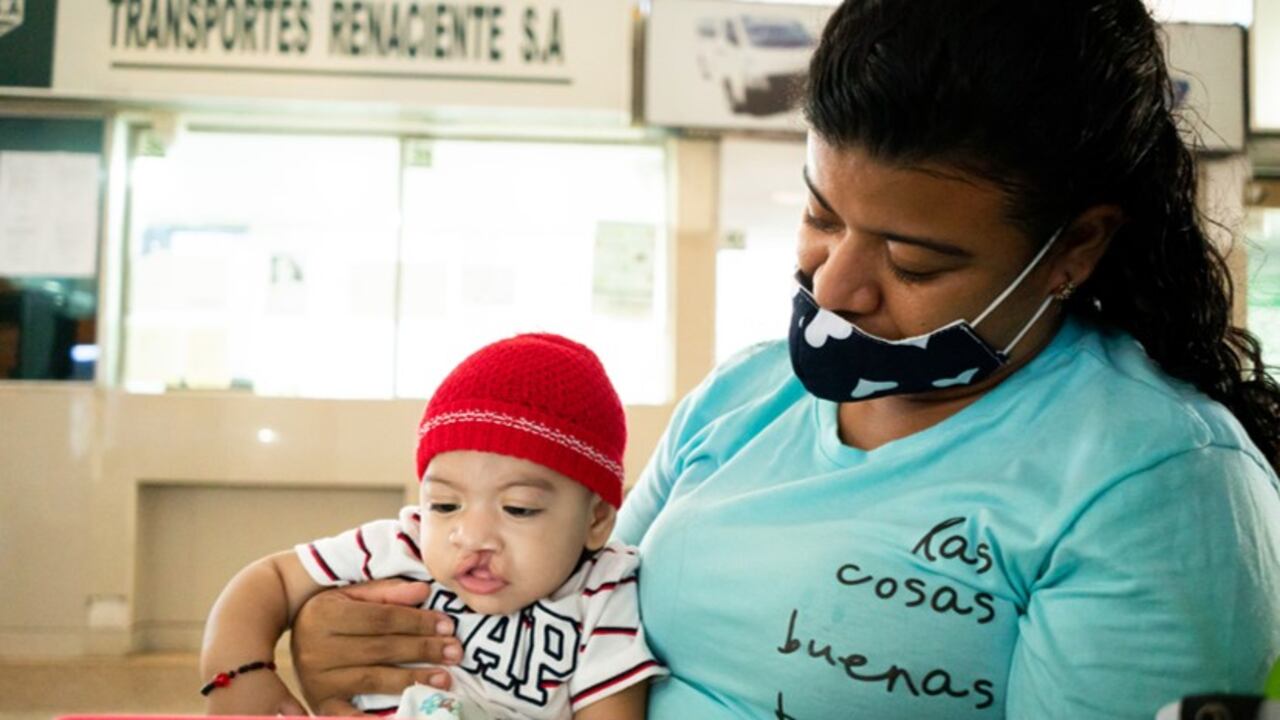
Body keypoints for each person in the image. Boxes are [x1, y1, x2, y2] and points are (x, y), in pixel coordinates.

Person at [285, 1, 1280, 718]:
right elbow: (574, 621)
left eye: (912, 257)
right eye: (816, 213)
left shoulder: (1155, 485)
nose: (834, 284)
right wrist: (397, 644)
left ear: (1072, 248)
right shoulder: (741, 397)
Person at [200, 334, 665, 719]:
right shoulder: (404, 544)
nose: (473, 536)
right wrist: (236, 675)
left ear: (597, 519)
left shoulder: (600, 594)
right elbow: (271, 579)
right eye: (445, 504)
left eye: (519, 508)